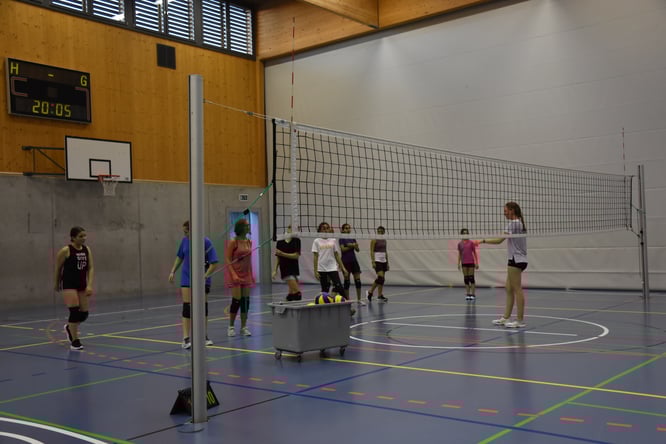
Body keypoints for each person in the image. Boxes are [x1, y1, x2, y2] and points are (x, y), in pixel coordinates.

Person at [169, 220, 219, 349]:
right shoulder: (184, 241)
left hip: (202, 278)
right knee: (187, 307)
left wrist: (205, 275)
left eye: (186, 232)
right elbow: (180, 256)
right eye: (184, 232)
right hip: (187, 277)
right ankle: (186, 338)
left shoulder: (206, 242)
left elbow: (214, 263)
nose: (185, 234)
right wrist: (173, 271)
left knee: (203, 307)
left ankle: (203, 336)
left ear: (193, 230)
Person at [481, 202, 528, 328]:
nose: (504, 213)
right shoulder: (519, 223)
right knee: (509, 288)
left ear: (512, 210)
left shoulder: (514, 224)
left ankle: (520, 320)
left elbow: (499, 240)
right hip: (517, 259)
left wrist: (482, 241)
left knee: (517, 289)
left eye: (506, 211)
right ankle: (506, 317)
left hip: (516, 260)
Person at [54, 226, 94, 351]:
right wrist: (56, 283)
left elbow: (90, 267)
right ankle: (75, 341)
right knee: (74, 312)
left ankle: (69, 327)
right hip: (69, 284)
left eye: (85, 236)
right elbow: (58, 268)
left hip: (82, 284)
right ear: (73, 237)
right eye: (80, 236)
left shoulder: (87, 249)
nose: (84, 238)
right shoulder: (66, 250)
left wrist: (89, 285)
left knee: (84, 314)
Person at [225, 219, 255, 337]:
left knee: (245, 302)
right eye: (247, 225)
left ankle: (243, 327)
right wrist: (233, 274)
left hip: (246, 275)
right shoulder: (233, 241)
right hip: (236, 274)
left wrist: (251, 275)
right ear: (241, 227)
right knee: (236, 300)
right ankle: (231, 327)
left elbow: (248, 260)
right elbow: (228, 259)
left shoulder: (249, 241)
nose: (248, 227)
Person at [312, 222, 348, 301]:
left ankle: (348, 303)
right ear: (320, 230)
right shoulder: (316, 241)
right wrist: (315, 271)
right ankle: (324, 304)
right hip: (321, 268)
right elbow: (315, 256)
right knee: (325, 289)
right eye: (323, 228)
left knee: (339, 286)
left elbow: (336, 255)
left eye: (327, 228)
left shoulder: (333, 240)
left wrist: (343, 268)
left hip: (332, 267)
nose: (326, 230)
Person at [273, 225, 302, 301]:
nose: (296, 232)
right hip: (285, 268)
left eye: (298, 230)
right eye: (295, 229)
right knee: (297, 294)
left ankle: (287, 302)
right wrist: (275, 270)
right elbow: (278, 257)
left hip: (294, 268)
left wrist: (282, 254)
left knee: (291, 295)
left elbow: (296, 256)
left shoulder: (297, 240)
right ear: (288, 228)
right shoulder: (280, 241)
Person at [339, 223, 365, 305]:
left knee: (358, 281)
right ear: (343, 230)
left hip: (354, 261)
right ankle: (347, 300)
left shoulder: (352, 238)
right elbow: (343, 249)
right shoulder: (341, 238)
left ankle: (359, 300)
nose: (348, 229)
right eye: (346, 228)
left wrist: (354, 245)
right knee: (347, 282)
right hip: (345, 262)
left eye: (349, 228)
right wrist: (352, 245)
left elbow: (357, 250)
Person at [367, 225, 389, 303]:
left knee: (382, 280)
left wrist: (387, 262)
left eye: (381, 231)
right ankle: (370, 292)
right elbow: (371, 251)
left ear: (384, 232)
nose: (380, 233)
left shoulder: (384, 240)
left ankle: (380, 295)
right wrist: (373, 261)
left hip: (384, 260)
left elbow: (385, 251)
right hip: (377, 260)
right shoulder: (374, 240)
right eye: (378, 231)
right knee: (381, 277)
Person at [457, 228, 479, 301]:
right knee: (466, 279)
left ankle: (473, 294)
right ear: (462, 234)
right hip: (464, 263)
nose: (465, 234)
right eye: (464, 233)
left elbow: (475, 253)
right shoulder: (459, 244)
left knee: (471, 278)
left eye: (466, 233)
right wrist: (458, 263)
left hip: (471, 262)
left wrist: (477, 263)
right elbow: (459, 254)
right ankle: (468, 293)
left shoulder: (471, 243)